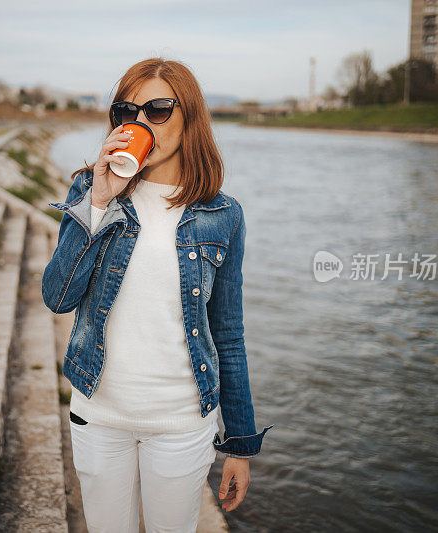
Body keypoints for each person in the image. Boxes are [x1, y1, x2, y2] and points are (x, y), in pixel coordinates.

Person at [42, 57, 272, 532]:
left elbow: (228, 333)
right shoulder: (92, 190)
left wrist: (240, 444)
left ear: (190, 117)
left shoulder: (223, 215)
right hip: (99, 415)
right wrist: (101, 200)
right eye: (128, 112)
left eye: (158, 110)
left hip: (181, 424)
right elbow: (58, 297)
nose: (140, 123)